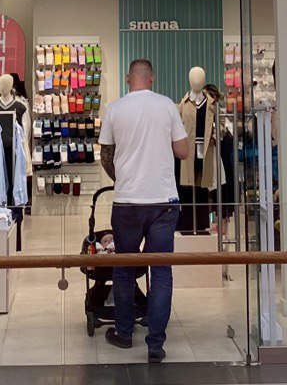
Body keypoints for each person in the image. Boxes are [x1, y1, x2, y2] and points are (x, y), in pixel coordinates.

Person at [99, 58, 190, 363]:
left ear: (128, 78)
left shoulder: (114, 109)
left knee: (124, 268)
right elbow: (183, 151)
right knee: (161, 270)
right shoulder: (167, 106)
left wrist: (123, 178)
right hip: (163, 201)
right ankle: (155, 344)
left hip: (127, 201)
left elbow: (106, 155)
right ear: (152, 77)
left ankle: (125, 333)